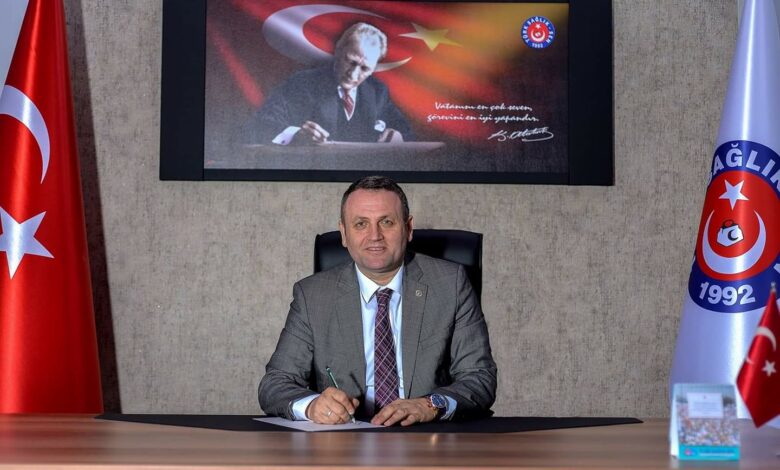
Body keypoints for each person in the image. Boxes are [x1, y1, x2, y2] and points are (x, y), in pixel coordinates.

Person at [258, 176, 496, 426]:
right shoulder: (313, 295)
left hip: (426, 434)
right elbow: (275, 384)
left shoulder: (450, 284)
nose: (375, 236)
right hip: (343, 439)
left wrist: (430, 404)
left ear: (408, 228)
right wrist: (312, 406)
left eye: (386, 222)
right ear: (344, 234)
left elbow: (479, 377)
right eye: (361, 224)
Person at [250, 23, 412, 145]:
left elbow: (407, 132)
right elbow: (261, 123)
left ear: (373, 69)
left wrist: (398, 137)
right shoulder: (301, 83)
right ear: (338, 51)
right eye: (351, 62)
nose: (353, 74)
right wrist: (297, 135)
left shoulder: (377, 91)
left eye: (364, 68)